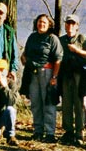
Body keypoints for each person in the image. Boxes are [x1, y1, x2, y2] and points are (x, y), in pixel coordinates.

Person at [21, 14, 63, 143]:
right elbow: (25, 54)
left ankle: (50, 133)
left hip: (47, 72)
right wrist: (25, 61)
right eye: (40, 22)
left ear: (49, 24)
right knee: (36, 103)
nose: (41, 24)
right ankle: (38, 131)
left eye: (44, 22)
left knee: (48, 103)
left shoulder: (52, 38)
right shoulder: (32, 37)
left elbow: (58, 59)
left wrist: (54, 77)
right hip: (32, 73)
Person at [58, 14, 86, 146]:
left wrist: (77, 50)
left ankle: (79, 133)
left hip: (79, 76)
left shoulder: (82, 39)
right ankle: (68, 132)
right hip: (65, 76)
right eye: (68, 23)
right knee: (66, 104)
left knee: (79, 105)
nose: (70, 26)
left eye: (73, 24)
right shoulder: (61, 40)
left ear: (77, 26)